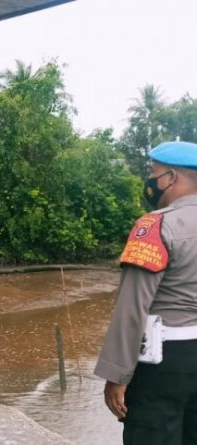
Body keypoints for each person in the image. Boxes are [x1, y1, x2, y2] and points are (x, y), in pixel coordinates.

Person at [96, 141, 197, 444]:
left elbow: (133, 305)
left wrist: (117, 374)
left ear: (171, 177)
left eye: (153, 173)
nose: (150, 181)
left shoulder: (155, 225)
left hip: (163, 361)